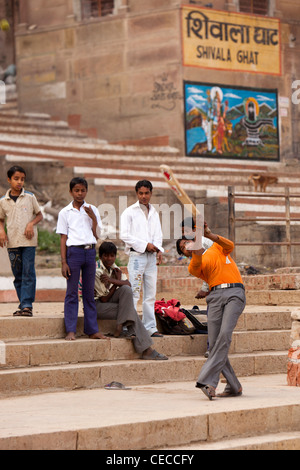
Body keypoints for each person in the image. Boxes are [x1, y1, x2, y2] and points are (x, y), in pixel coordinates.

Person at [176, 221, 246, 400]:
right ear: (184, 254)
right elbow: (198, 258)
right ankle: (234, 385)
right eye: (183, 247)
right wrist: (197, 244)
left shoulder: (216, 248)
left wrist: (207, 234)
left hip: (234, 293)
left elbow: (229, 245)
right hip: (214, 297)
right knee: (215, 343)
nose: (186, 246)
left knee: (224, 336)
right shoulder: (194, 265)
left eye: (187, 241)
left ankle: (208, 382)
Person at [94, 241, 168, 360]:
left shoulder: (114, 268)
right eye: (106, 256)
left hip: (109, 303)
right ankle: (146, 350)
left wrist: (113, 281)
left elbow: (127, 284)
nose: (109, 259)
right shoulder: (97, 270)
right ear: (101, 256)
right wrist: (116, 282)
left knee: (126, 290)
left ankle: (121, 325)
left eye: (112, 256)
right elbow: (104, 299)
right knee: (130, 311)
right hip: (97, 306)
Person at [56, 177, 108, 341]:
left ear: (86, 191)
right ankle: (70, 330)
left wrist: (93, 218)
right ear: (71, 192)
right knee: (72, 293)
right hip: (74, 253)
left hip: (90, 252)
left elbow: (97, 234)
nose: (80, 193)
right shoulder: (65, 212)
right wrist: (64, 262)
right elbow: (63, 238)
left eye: (83, 190)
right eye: (76, 190)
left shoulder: (92, 209)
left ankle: (92, 329)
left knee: (88, 293)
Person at [120, 180, 164, 337]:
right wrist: (145, 245)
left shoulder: (154, 212)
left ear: (151, 193)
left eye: (146, 193)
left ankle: (150, 327)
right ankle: (129, 326)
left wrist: (158, 249)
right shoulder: (129, 212)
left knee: (150, 294)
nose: (144, 196)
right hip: (137, 257)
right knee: (134, 292)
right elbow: (124, 235)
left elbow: (158, 234)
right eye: (141, 193)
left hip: (151, 258)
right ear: (136, 193)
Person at [0, 166, 43, 316]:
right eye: (16, 179)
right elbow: (1, 219)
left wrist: (31, 224)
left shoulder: (30, 197)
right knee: (18, 274)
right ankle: (23, 304)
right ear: (9, 180)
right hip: (12, 243)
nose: (19, 182)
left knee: (28, 273)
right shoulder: (3, 201)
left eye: (22, 179)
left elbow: (39, 215)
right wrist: (1, 231)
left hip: (28, 242)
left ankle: (27, 305)